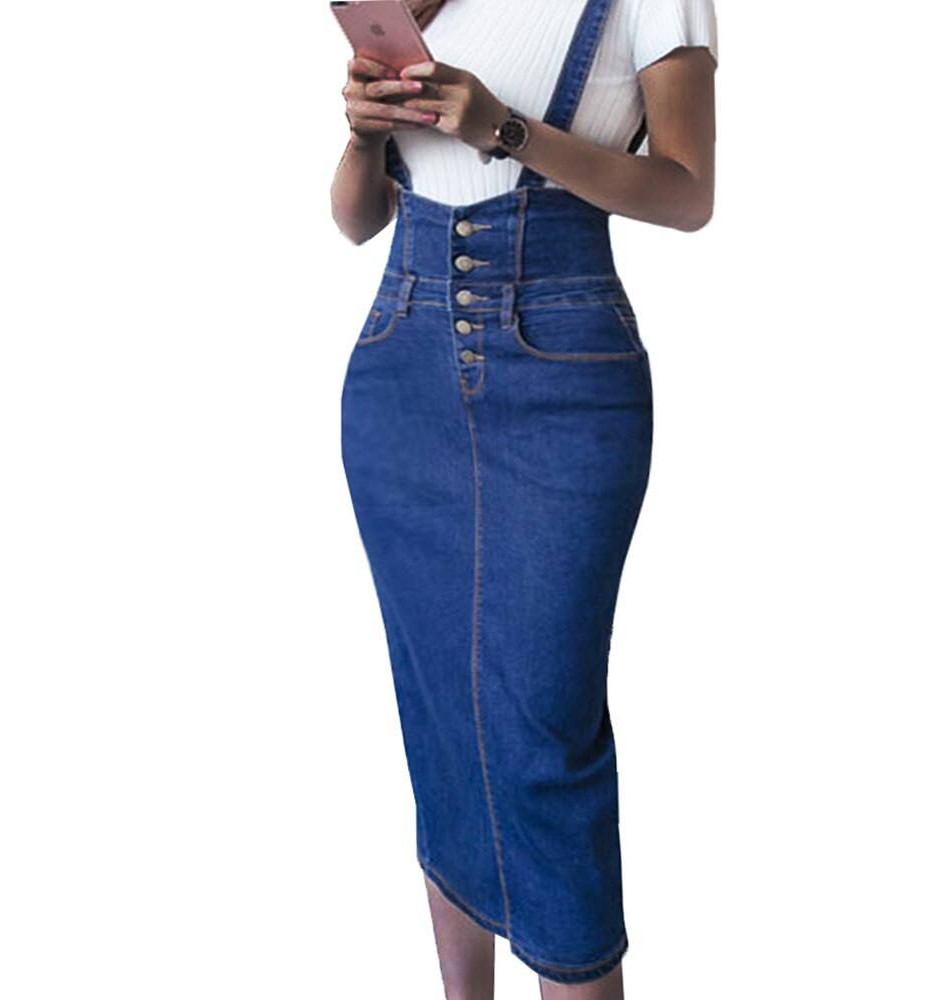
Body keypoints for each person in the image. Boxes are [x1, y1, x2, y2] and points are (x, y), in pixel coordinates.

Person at [330, 0, 717, 996]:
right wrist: (363, 134)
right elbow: (356, 219)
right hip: (400, 362)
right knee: (438, 712)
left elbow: (687, 193)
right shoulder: (433, 3)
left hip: (562, 369)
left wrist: (504, 129)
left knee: (545, 726)